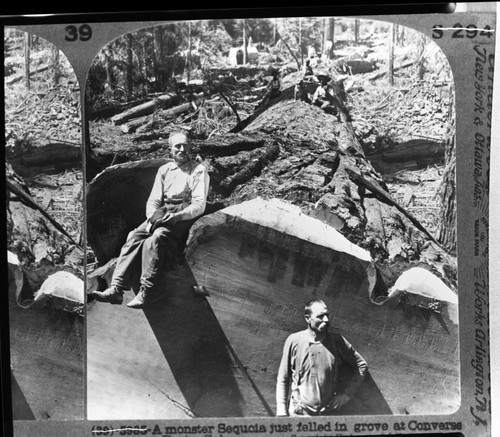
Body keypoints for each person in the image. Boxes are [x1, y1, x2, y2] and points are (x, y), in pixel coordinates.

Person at [91, 131, 210, 309]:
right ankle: (116, 289)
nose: (182, 149)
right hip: (164, 211)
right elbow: (154, 200)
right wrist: (151, 219)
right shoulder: (165, 170)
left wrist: (177, 217)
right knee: (134, 235)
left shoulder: (198, 170)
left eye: (185, 145)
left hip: (185, 214)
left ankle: (147, 290)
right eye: (177, 146)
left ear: (190, 147)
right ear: (170, 149)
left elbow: (199, 204)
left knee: (158, 238)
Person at [276, 298, 367, 416]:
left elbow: (362, 365)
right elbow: (283, 378)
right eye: (321, 316)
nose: (327, 320)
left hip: (326, 415)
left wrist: (346, 396)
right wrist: (281, 410)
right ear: (307, 318)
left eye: (327, 315)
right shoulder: (294, 341)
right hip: (299, 413)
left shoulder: (337, 342)